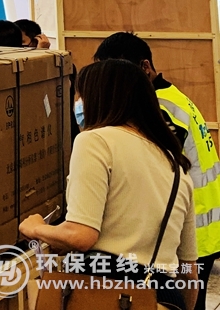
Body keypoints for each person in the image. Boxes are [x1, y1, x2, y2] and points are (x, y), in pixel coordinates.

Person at [20, 59, 198, 310]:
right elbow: (189, 272)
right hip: (164, 296)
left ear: (98, 97)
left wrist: (37, 228)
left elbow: (81, 235)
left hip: (107, 292)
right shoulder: (176, 165)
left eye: (80, 95)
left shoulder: (95, 141)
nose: (77, 103)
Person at [94, 32, 220, 310]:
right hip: (202, 223)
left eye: (120, 74)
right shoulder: (171, 96)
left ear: (145, 67)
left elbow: (154, 169)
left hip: (191, 229)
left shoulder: (159, 107)